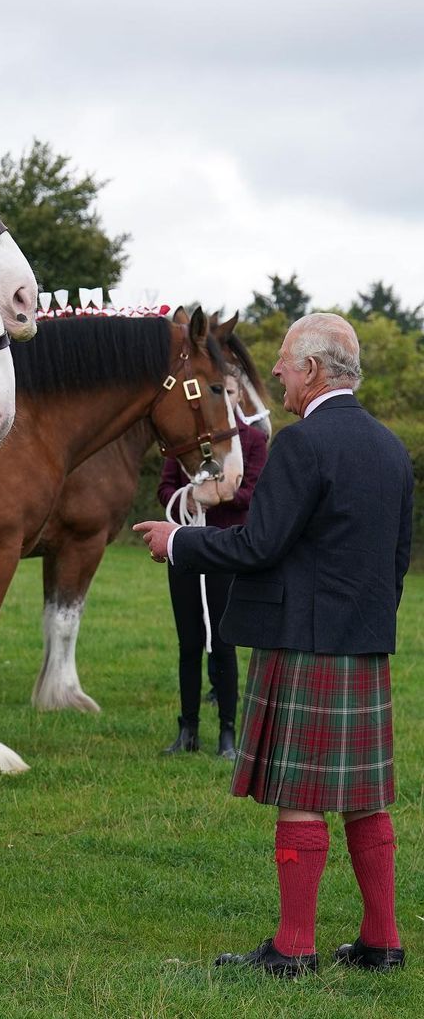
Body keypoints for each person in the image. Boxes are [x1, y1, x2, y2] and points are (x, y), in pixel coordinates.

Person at [134, 313, 412, 976]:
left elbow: (259, 546)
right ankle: (383, 942)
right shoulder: (389, 447)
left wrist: (179, 542)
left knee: (303, 795)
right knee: (364, 795)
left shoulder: (302, 444)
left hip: (304, 641)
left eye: (285, 362)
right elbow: (397, 558)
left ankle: (293, 950)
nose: (278, 373)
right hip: (363, 638)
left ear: (312, 370)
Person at [158, 372, 268, 759]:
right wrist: (188, 498)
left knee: (223, 643)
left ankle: (227, 734)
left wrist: (217, 497)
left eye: (232, 391)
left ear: (239, 396)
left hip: (225, 552)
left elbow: (251, 496)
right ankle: (187, 730)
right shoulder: (192, 440)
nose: (226, 398)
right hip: (187, 550)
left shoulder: (253, 442)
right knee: (188, 643)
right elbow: (166, 487)